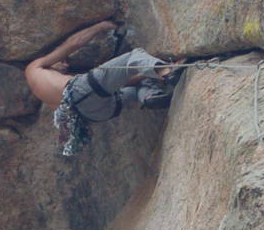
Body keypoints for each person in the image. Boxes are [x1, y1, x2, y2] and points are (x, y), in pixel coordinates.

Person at [25, 21, 181, 156]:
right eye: (62, 61)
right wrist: (101, 26)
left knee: (136, 86)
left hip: (94, 114)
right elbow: (73, 44)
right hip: (80, 93)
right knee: (134, 57)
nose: (66, 65)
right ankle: (167, 72)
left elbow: (121, 82)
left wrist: (145, 75)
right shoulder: (34, 67)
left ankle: (150, 96)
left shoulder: (46, 93)